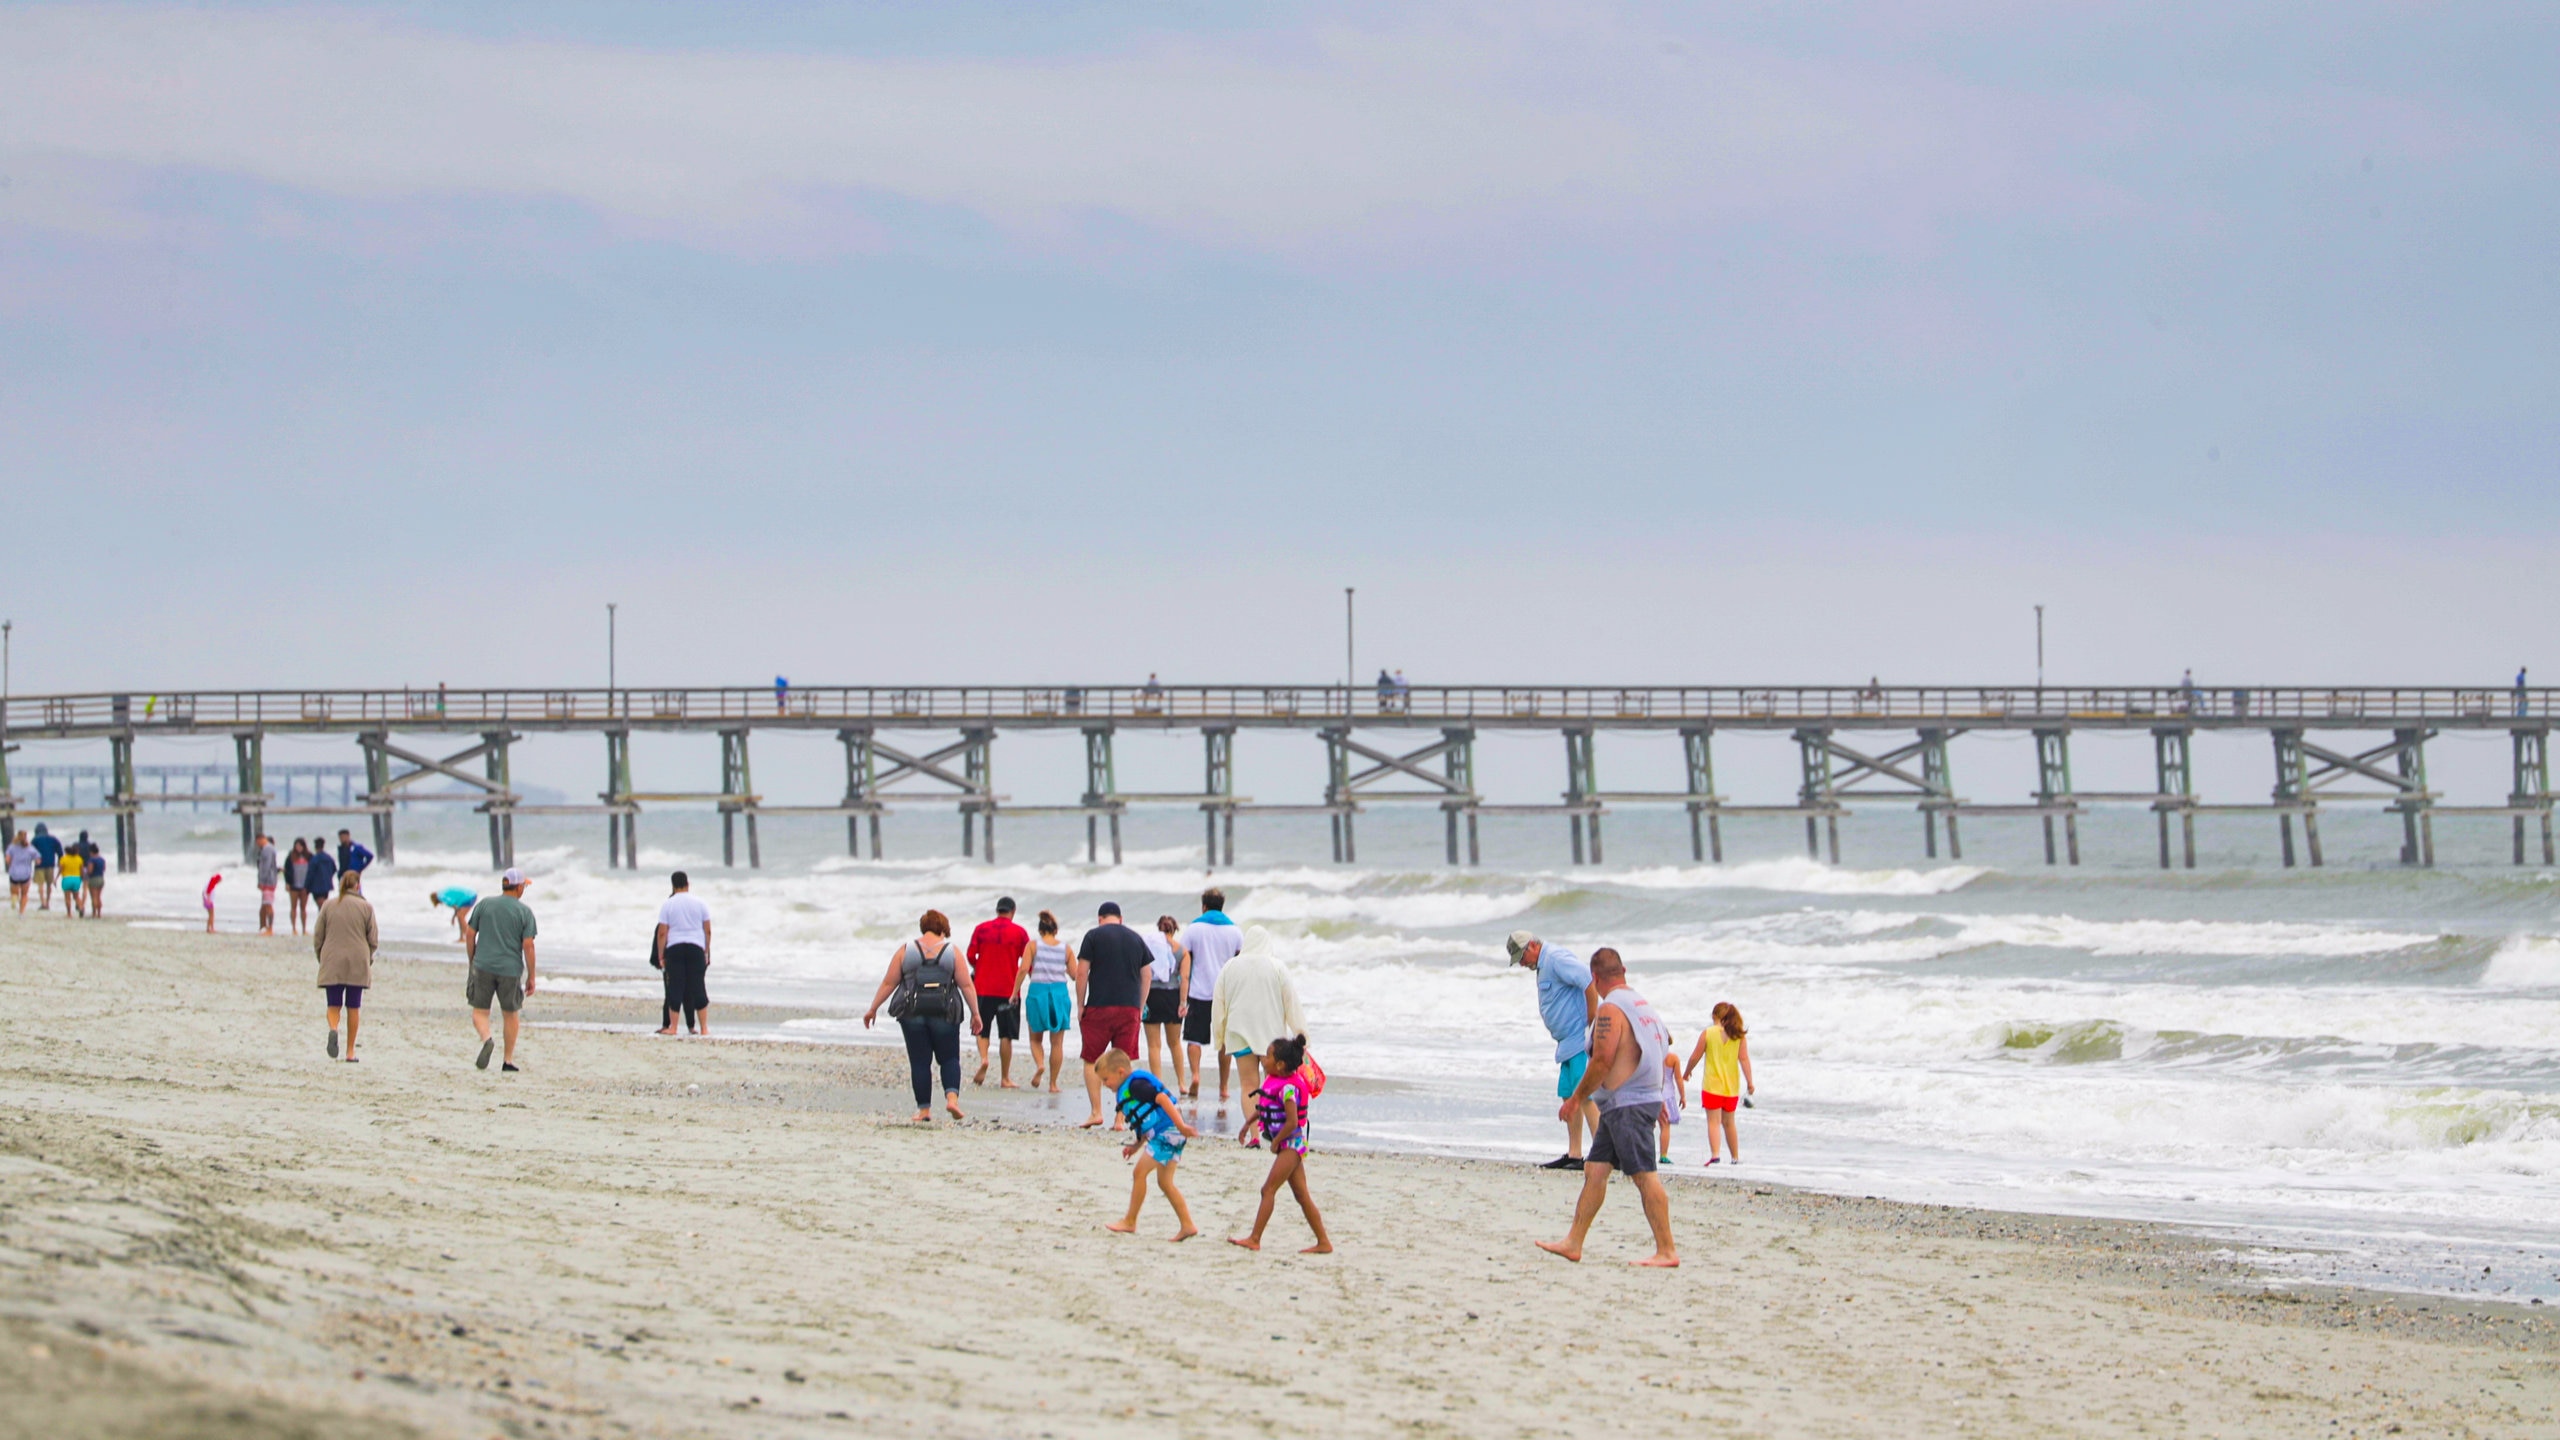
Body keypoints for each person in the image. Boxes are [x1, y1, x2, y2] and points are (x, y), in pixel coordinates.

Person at [1537, 948, 1678, 1267]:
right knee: (1595, 1170)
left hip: (1630, 1106)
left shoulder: (1610, 1009)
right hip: (1628, 1103)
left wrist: (1575, 1099)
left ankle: (1667, 1250)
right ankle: (1574, 1242)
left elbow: (1601, 1060)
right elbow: (1664, 1043)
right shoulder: (1642, 1004)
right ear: (1623, 970)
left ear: (1596, 978)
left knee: (1644, 1176)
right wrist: (1657, 1096)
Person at [861, 909, 982, 1122]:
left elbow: (889, 982)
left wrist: (873, 1008)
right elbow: (966, 985)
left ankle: (924, 1110)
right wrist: (975, 1014)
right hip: (944, 1013)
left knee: (919, 1062)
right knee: (950, 1058)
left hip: (912, 1012)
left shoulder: (906, 950)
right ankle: (952, 1099)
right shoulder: (951, 951)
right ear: (943, 928)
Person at [1229, 1034, 1331, 1253]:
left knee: (1268, 1190)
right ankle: (1323, 1242)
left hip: (1291, 1145)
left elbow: (1292, 1121)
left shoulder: (1288, 1089)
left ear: (1280, 1064)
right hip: (1289, 1144)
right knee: (1302, 1196)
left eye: (1267, 1056)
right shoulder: (1276, 1083)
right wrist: (1248, 1124)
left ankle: (1255, 1239)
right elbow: (1264, 1108)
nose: (1263, 1060)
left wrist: (1276, 1141)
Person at [1509, 930, 1598, 1169]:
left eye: (1521, 957)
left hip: (1579, 1039)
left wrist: (1592, 1023)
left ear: (1532, 946)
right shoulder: (1542, 965)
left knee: (1586, 1094)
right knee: (1568, 1094)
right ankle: (1575, 1153)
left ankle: (1602, 1154)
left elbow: (1588, 981)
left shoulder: (1556, 958)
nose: (1521, 963)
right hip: (1565, 1043)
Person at [1097, 1048, 1200, 1241]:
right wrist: (1136, 1146)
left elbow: (1161, 1099)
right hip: (1168, 1133)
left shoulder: (1135, 1085)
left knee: (1139, 1173)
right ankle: (1187, 1225)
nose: (1105, 1085)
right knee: (1165, 1183)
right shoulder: (1129, 1087)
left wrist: (1181, 1125)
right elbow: (1145, 1119)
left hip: (1169, 1132)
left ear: (1120, 1072)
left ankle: (1130, 1221)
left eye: (1105, 1079)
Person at [1212, 925, 1306, 1124]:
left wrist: (1219, 1037)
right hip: (1270, 1037)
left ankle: (1253, 1134)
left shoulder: (1230, 966)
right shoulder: (1277, 966)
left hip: (1238, 1033)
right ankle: (1271, 1127)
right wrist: (1301, 1035)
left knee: (1248, 1085)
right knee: (1275, 1083)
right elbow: (1292, 1003)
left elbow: (1218, 1005)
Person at [1072, 902, 1152, 1128]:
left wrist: (1080, 1004)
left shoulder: (1093, 936)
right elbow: (1147, 975)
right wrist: (1140, 1005)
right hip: (1129, 1009)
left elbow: (1081, 972)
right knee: (1123, 1062)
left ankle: (1096, 1112)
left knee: (1091, 1059)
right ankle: (1120, 1118)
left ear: (1100, 919)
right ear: (1121, 918)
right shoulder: (1136, 938)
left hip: (1099, 1006)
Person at [460, 868, 538, 1073]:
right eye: (524, 886)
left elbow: (470, 934)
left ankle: (487, 1038)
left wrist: (473, 959)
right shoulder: (524, 912)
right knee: (510, 1014)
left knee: (479, 1011)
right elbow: (528, 946)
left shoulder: (484, 904)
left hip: (483, 965)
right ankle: (508, 1061)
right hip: (510, 970)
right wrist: (531, 976)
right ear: (519, 887)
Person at [1179, 889, 1243, 1098]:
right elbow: (1239, 961)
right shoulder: (1234, 931)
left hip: (1198, 992)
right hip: (1225, 993)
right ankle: (1223, 1087)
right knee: (1224, 1041)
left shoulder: (1194, 929)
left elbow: (1184, 959)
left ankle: (1196, 1076)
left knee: (1194, 1039)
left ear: (1203, 906)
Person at [965, 897, 1031, 1087]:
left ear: (997, 910)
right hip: (1008, 990)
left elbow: (970, 955)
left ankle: (984, 1059)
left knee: (981, 1029)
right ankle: (1004, 1078)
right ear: (1013, 911)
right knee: (1006, 1035)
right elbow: (1027, 961)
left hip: (983, 987)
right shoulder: (1019, 933)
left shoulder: (981, 929)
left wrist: (981, 966)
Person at [313, 870, 378, 1061]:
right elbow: (373, 939)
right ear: (357, 885)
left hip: (332, 959)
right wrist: (368, 958)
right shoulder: (366, 907)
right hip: (357, 961)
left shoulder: (328, 905)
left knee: (333, 1004)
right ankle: (350, 1052)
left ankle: (333, 1029)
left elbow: (318, 936)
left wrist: (322, 957)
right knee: (353, 1007)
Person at [1682, 1002, 1756, 1166]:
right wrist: (1750, 1082)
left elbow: (1695, 1056)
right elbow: (1744, 1059)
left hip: (1712, 1085)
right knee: (1729, 1123)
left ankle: (1715, 1155)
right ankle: (1735, 1157)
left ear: (1715, 1016)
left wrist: (1687, 1073)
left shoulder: (1708, 1033)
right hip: (1731, 1087)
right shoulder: (1738, 1036)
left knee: (1713, 1122)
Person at [653, 871, 712, 1036]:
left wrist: (661, 955)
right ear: (688, 884)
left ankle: (673, 1027)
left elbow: (662, 933)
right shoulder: (700, 903)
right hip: (695, 947)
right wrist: (706, 951)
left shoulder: (668, 904)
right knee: (698, 986)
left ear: (673, 885)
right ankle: (704, 1028)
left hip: (675, 948)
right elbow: (707, 930)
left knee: (675, 987)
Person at [1023, 910, 1075, 1094]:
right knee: (1057, 1043)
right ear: (1056, 931)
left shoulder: (1033, 945)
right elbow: (1076, 975)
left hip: (1038, 992)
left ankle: (1039, 1064)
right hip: (1059, 994)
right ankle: (1053, 1084)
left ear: (1040, 930)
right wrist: (1065, 969)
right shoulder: (1066, 948)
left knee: (1035, 1039)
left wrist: (1014, 992)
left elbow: (1023, 970)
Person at [1141, 914, 1191, 1095]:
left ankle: (1158, 1084)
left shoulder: (1148, 946)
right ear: (1174, 929)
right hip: (1172, 997)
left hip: (1152, 995)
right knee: (1175, 1043)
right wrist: (1183, 1002)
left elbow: (1142, 973)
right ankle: (1182, 1083)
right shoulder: (1182, 951)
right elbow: (1184, 978)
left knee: (1154, 1045)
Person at [1657, 1032, 1683, 1165]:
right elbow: (1678, 1078)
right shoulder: (1673, 1058)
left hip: (1652, 1093)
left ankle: (1646, 1153)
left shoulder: (1654, 1056)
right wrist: (1683, 1096)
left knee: (1649, 1126)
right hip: (1667, 1095)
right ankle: (1663, 1155)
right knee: (1665, 1127)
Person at [429, 883, 478, 952]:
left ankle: (469, 937)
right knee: (460, 917)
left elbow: (452, 903)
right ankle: (462, 938)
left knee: (460, 917)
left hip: (469, 897)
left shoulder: (440, 896)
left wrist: (454, 916)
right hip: (470, 895)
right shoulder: (442, 892)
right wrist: (454, 917)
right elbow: (456, 906)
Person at [302, 841, 338, 922]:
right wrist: (328, 876)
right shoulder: (329, 858)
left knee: (321, 907)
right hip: (326, 885)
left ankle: (325, 924)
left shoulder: (315, 859)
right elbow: (334, 869)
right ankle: (325, 923)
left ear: (315, 847)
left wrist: (306, 886)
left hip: (316, 886)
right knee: (323, 905)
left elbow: (310, 874)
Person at [285, 839, 313, 935]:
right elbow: (287, 870)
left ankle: (304, 929)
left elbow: (312, 870)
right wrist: (287, 883)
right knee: (293, 907)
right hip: (294, 885)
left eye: (300, 846)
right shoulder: (291, 857)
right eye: (297, 846)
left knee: (303, 908)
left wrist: (310, 884)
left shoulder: (309, 857)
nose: (298, 848)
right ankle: (293, 928)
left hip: (304, 886)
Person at [254, 834, 280, 936]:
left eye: (257, 842)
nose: (257, 845)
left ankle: (270, 928)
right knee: (264, 904)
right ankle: (263, 926)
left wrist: (261, 881)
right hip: (270, 880)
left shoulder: (267, 849)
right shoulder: (269, 849)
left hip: (268, 881)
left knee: (268, 904)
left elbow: (266, 866)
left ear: (260, 839)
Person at [30, 822, 59, 912]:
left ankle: (43, 903)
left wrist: (30, 863)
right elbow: (60, 851)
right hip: (51, 864)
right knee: (49, 884)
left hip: (39, 865)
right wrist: (60, 861)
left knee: (40, 884)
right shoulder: (53, 839)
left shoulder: (35, 840)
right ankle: (48, 902)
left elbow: (30, 852)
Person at [75, 833, 104, 917]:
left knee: (79, 890)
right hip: (100, 877)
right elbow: (104, 868)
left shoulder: (77, 845)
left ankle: (81, 905)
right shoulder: (99, 857)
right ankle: (98, 913)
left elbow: (89, 870)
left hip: (80, 868)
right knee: (96, 895)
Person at [6, 831, 34, 915]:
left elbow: (7, 860)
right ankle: (21, 913)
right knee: (24, 894)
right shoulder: (29, 847)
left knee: (14, 892)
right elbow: (38, 858)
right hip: (25, 873)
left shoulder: (11, 847)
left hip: (14, 873)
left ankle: (14, 899)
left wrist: (12, 864)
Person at [56, 842, 84, 919]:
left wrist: (56, 878)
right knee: (76, 896)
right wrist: (82, 878)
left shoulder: (64, 859)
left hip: (67, 878)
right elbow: (81, 870)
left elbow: (60, 869)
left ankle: (69, 913)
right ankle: (81, 907)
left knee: (67, 897)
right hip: (76, 878)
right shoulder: (79, 858)